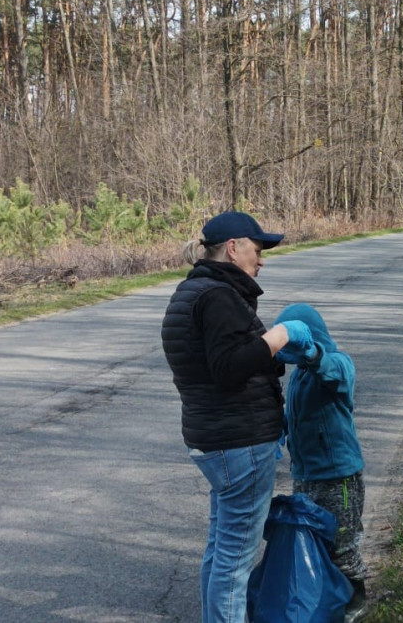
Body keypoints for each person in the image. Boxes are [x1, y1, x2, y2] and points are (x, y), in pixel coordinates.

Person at [161, 210, 317, 623]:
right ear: (233, 248)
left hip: (215, 439)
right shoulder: (218, 297)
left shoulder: (192, 291)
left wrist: (271, 353)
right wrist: (280, 334)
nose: (262, 259)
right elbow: (228, 368)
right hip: (239, 442)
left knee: (221, 549)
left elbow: (216, 362)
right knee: (235, 563)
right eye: (257, 248)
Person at [272, 303, 370, 623]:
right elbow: (295, 415)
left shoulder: (338, 363)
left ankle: (356, 595)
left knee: (341, 541)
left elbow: (333, 373)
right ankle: (327, 596)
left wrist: (313, 354)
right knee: (314, 541)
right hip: (306, 476)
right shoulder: (298, 376)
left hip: (339, 476)